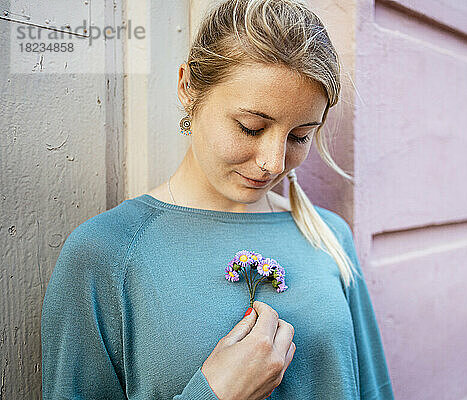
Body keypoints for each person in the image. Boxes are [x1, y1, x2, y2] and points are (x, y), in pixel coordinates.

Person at [41, 0, 394, 399]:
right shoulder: (105, 253)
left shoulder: (329, 237)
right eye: (250, 127)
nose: (272, 163)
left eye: (300, 136)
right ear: (188, 89)